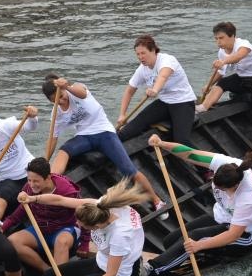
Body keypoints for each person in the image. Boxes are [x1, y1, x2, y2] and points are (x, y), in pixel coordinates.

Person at [0, 179, 149, 276]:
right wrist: (32, 198)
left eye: (84, 226)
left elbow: (110, 275)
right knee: (49, 275)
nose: (78, 226)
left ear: (98, 226)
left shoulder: (120, 235)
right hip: (101, 262)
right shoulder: (99, 206)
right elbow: (60, 201)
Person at [138, 135, 252, 276]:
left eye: (223, 189)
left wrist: (199, 245)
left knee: (193, 238)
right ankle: (205, 254)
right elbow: (190, 154)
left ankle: (150, 270)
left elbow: (232, 235)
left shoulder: (249, 199)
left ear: (235, 186)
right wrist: (162, 143)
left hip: (248, 236)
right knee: (170, 241)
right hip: (222, 217)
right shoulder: (225, 164)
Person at [41, 73, 167, 219]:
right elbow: (53, 138)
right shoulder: (56, 113)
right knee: (63, 151)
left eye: (62, 96)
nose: (61, 101)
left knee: (128, 169)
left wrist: (67, 86)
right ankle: (50, 185)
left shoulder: (76, 89)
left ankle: (157, 201)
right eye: (56, 101)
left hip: (104, 133)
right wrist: (45, 161)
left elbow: (81, 93)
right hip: (84, 136)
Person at [0, 157, 82, 272]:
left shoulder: (67, 190)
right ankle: (48, 271)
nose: (32, 185)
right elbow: (19, 213)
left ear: (48, 177)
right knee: (13, 241)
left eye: (36, 181)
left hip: (64, 229)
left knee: (61, 242)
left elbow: (83, 215)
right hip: (40, 229)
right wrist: (3, 227)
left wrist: (85, 244)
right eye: (29, 180)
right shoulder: (28, 189)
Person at [117, 35, 196, 147]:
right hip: (164, 103)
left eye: (143, 53)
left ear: (153, 50)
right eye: (138, 54)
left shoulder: (167, 60)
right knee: (127, 131)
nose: (140, 57)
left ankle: (210, 163)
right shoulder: (142, 69)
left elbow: (163, 76)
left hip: (183, 103)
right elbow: (129, 91)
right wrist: (122, 114)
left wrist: (155, 90)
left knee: (181, 142)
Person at [195, 21, 252, 118]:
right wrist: (208, 85)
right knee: (222, 83)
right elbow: (220, 72)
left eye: (221, 38)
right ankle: (203, 107)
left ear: (232, 36)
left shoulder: (244, 45)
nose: (218, 42)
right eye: (216, 39)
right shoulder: (222, 52)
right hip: (242, 79)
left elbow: (238, 56)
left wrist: (223, 62)